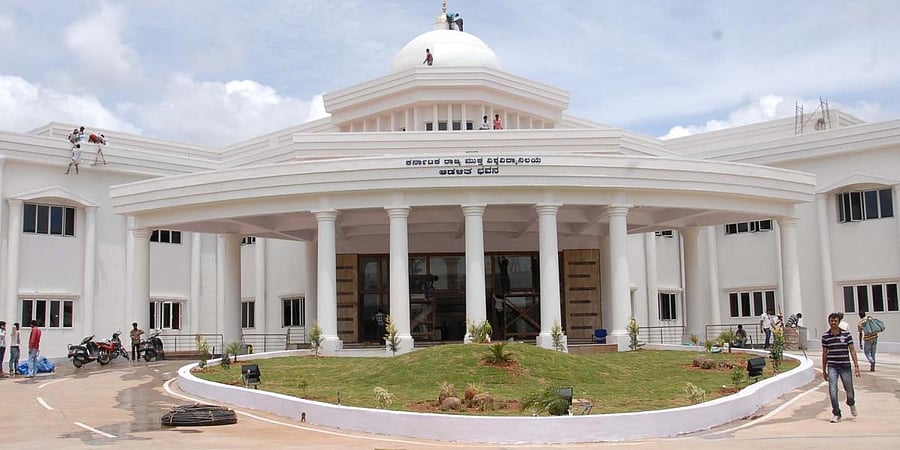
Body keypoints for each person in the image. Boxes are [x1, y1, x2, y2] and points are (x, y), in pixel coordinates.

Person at [821, 312, 860, 423]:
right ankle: (836, 413)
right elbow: (824, 354)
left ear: (839, 322)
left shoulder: (846, 334)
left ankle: (851, 403)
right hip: (832, 366)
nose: (833, 323)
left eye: (835, 321)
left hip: (845, 366)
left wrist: (856, 366)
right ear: (829, 322)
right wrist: (824, 370)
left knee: (849, 391)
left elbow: (852, 350)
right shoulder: (825, 336)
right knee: (832, 390)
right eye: (831, 321)